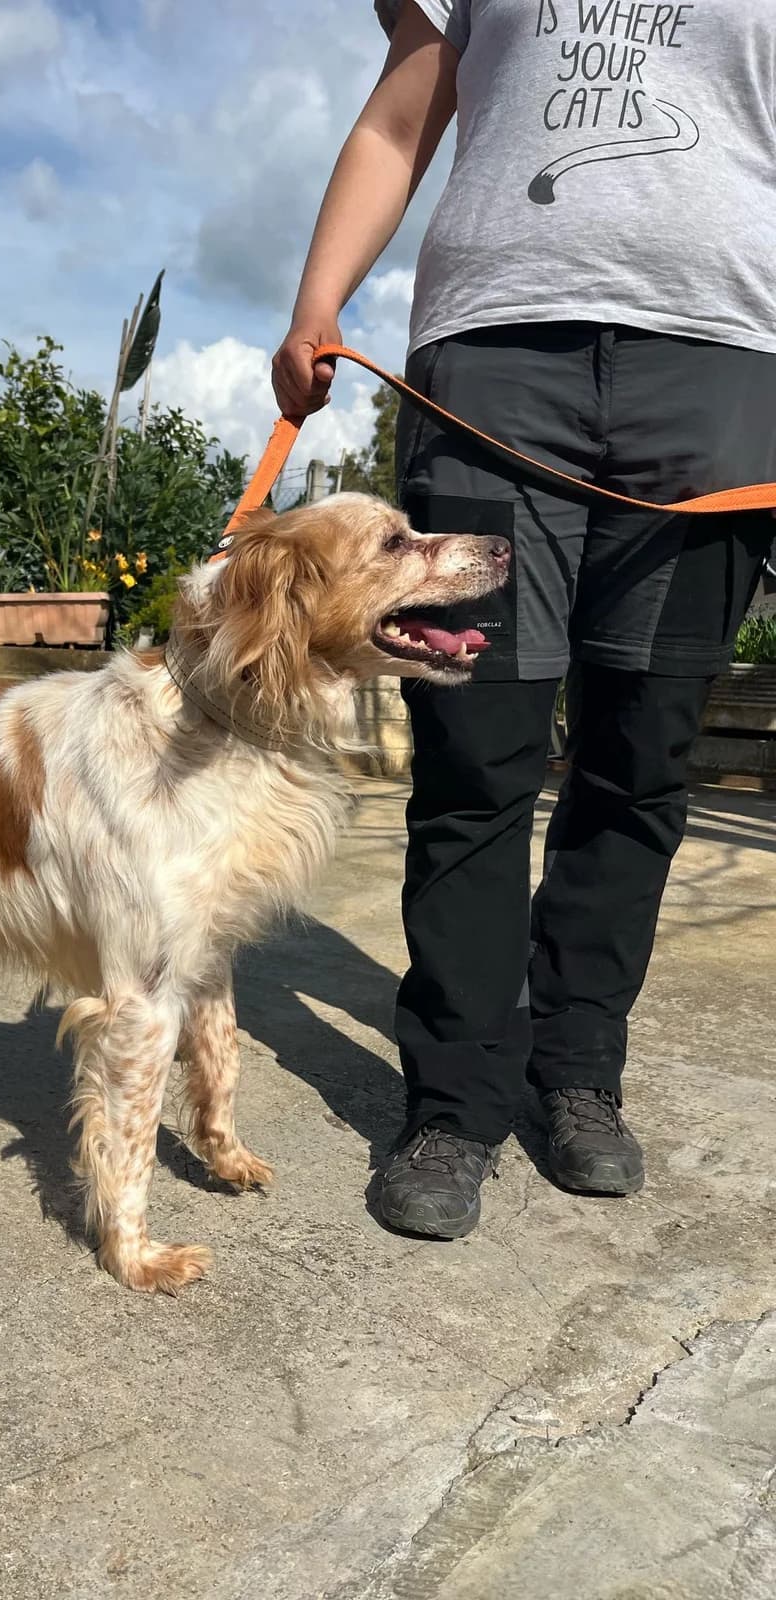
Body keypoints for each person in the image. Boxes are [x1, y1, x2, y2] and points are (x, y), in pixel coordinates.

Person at [273, 0, 776, 1238]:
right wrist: (316, 302)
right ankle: (454, 1100)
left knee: (639, 756)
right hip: (495, 364)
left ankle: (578, 1072)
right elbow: (405, 113)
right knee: (474, 759)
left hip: (719, 366)